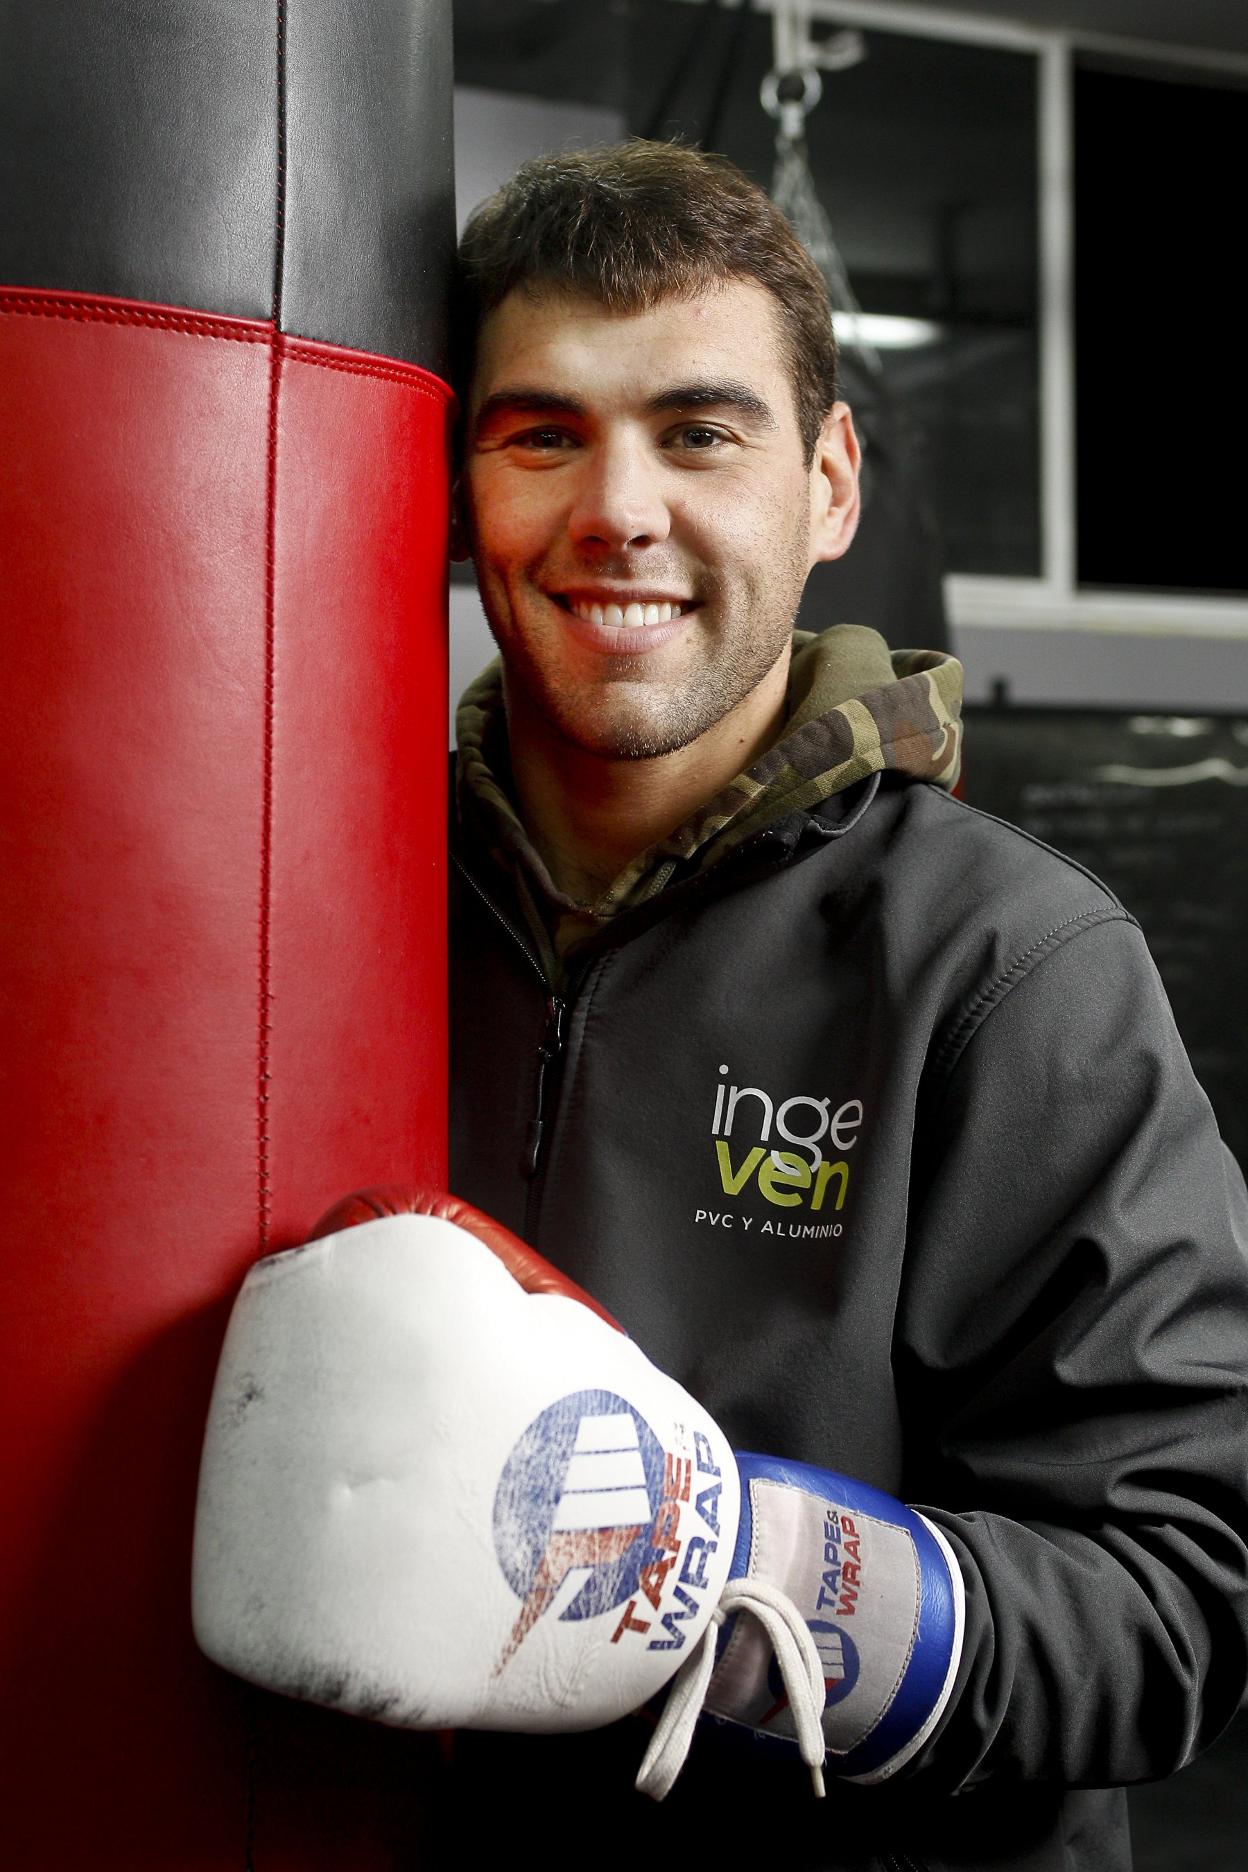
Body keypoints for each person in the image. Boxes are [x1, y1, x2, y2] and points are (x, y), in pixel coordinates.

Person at [444, 141, 1248, 1870]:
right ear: (461, 489)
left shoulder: (1008, 966)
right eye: (541, 434)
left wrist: (762, 1568)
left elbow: (1184, 1587)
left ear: (830, 485)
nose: (618, 512)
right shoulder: (315, 905)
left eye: (700, 431)